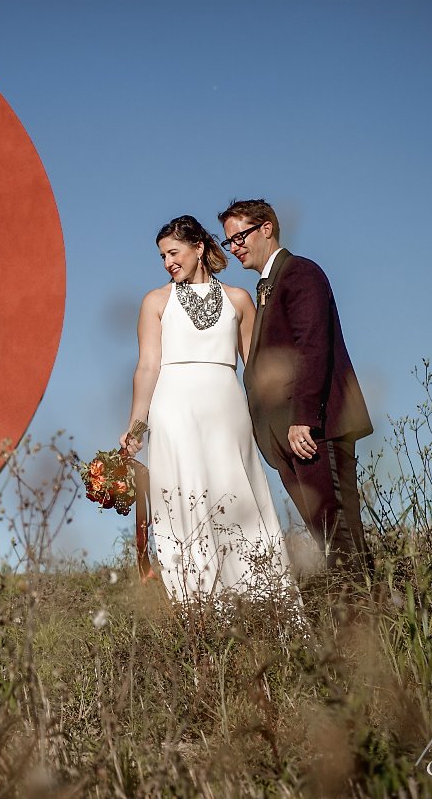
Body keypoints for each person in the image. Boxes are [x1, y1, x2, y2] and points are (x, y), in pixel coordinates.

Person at [121, 215, 297, 603]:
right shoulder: (156, 301)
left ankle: (266, 604)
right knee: (183, 502)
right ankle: (201, 613)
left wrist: (288, 417)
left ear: (198, 248)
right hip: (173, 407)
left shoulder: (238, 299)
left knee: (238, 496)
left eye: (173, 252)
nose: (168, 262)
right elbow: (148, 366)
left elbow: (254, 368)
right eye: (162, 256)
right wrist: (136, 426)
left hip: (226, 406)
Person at [217, 199, 373, 579]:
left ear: (267, 228)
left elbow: (313, 346)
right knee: (327, 539)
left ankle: (371, 624)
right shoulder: (267, 288)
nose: (234, 247)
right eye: (229, 242)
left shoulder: (300, 273)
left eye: (239, 237)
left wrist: (303, 418)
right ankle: (354, 622)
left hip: (315, 430)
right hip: (288, 436)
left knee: (340, 536)